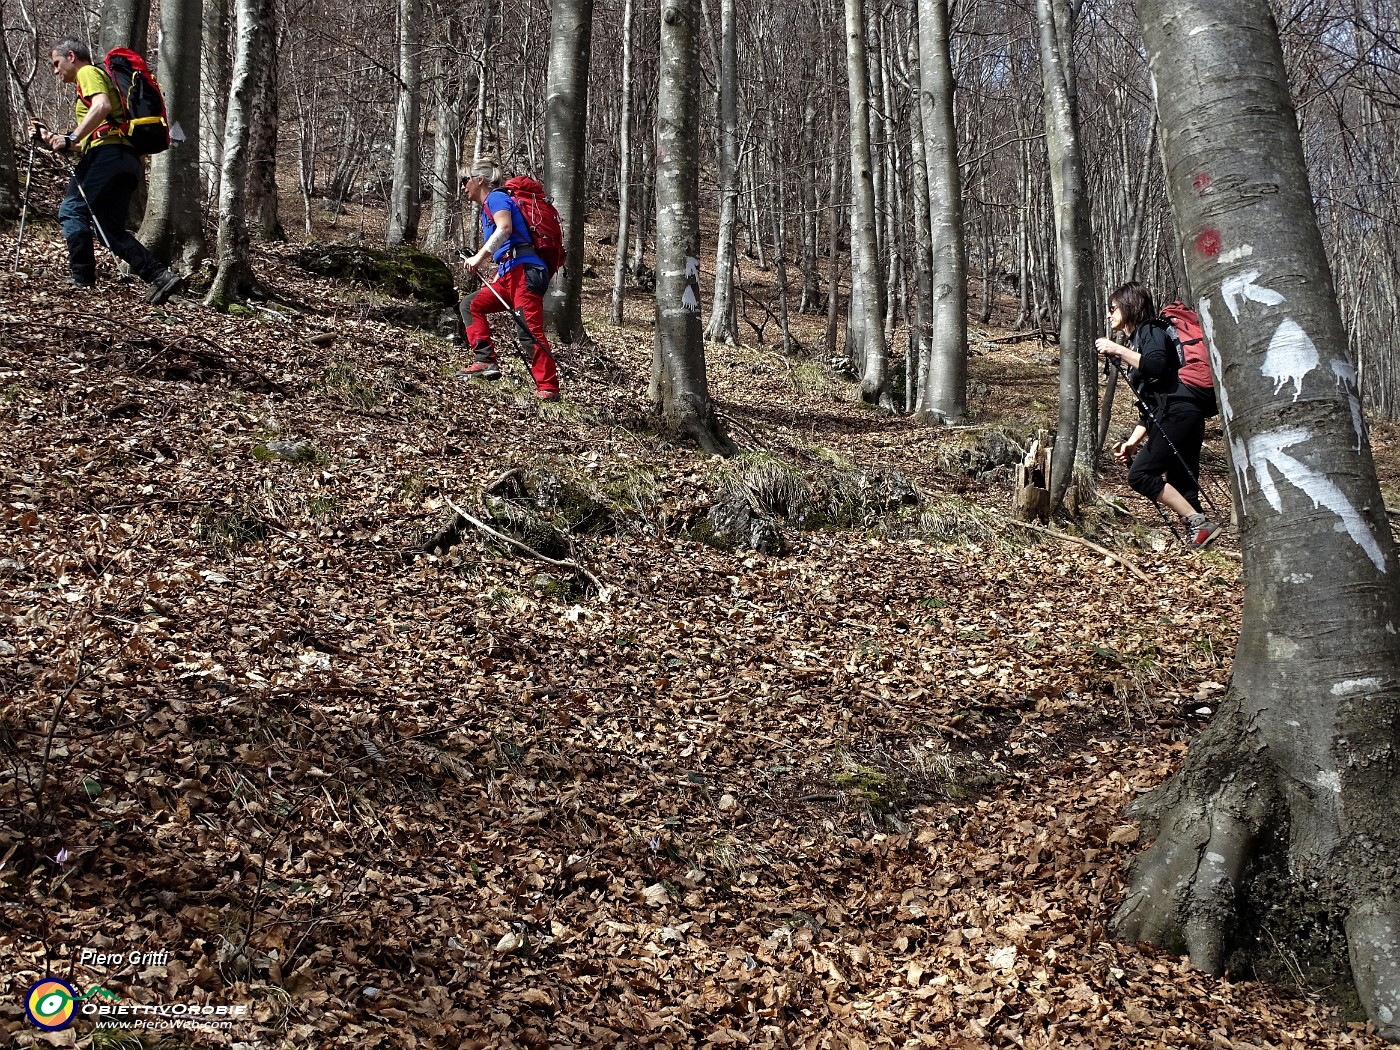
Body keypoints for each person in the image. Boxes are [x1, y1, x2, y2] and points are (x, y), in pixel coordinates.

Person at [27, 38, 180, 304]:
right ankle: (159, 275)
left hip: (108, 156)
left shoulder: (87, 73)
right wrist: (51, 137)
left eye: (56, 63)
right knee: (108, 230)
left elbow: (102, 107)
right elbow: (86, 141)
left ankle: (82, 279)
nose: (55, 70)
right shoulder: (95, 84)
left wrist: (71, 135)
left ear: (71, 56)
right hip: (126, 160)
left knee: (71, 211)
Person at [1096, 281, 1221, 548]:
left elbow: (1156, 365)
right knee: (1184, 486)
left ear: (1129, 306)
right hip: (1185, 414)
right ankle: (1202, 546)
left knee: (1140, 475)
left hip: (1178, 413)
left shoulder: (1150, 329)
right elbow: (1150, 407)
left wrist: (1117, 349)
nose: (1108, 314)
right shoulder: (1141, 339)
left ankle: (1200, 525)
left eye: (1112, 308)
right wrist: (1132, 442)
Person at [457, 158, 560, 401]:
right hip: (509, 273)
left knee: (528, 329)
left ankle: (548, 388)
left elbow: (504, 229)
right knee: (471, 305)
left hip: (524, 271)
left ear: (479, 180)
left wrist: (479, 258)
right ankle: (485, 361)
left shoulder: (495, 197)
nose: (463, 187)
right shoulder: (487, 208)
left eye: (465, 180)